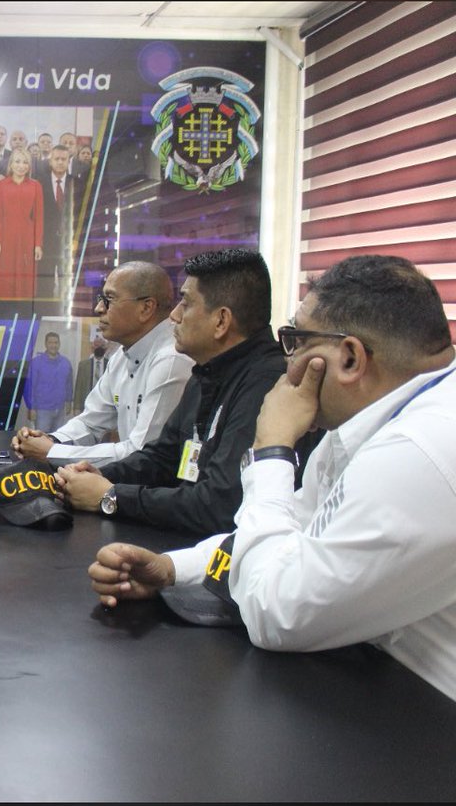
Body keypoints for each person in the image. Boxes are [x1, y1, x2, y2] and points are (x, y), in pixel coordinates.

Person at [88, 255, 456, 701]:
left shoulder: (417, 451)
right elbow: (295, 528)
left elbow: (277, 613)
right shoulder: (371, 420)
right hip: (382, 683)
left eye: (296, 341)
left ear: (349, 358)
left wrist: (273, 447)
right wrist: (174, 569)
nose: (288, 362)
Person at [57, 249, 301, 540]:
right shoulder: (207, 371)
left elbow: (219, 505)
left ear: (221, 321)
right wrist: (99, 476)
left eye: (185, 303)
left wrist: (111, 496)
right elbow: (163, 456)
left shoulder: (265, 382)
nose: (173, 315)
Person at [14, 262, 193, 467]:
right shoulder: (121, 356)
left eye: (109, 299)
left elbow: (141, 453)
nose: (98, 308)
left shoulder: (171, 360)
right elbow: (90, 423)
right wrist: (49, 440)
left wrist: (51, 452)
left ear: (146, 308)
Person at [0, 149, 43, 299]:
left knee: (26, 277)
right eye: (17, 161)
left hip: (27, 237)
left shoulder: (35, 185)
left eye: (25, 162)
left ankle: (23, 309)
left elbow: (39, 217)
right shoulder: (1, 185)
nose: (21, 166)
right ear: (11, 164)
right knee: (5, 275)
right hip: (5, 238)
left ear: (29, 166)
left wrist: (38, 244)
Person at [37, 145, 80, 300]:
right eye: (57, 159)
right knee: (44, 287)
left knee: (67, 287)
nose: (60, 162)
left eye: (64, 159)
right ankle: (44, 313)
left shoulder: (76, 183)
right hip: (45, 243)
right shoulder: (39, 183)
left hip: (68, 245)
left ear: (68, 161)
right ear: (50, 161)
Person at [22, 332, 74, 432]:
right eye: (50, 342)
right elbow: (29, 387)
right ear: (45, 344)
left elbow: (69, 384)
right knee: (41, 438)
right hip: (42, 410)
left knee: (57, 438)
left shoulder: (66, 363)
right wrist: (31, 407)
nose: (53, 345)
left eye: (56, 342)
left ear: (59, 344)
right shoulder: (36, 363)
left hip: (60, 409)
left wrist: (69, 401)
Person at [73, 332, 109, 413]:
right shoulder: (83, 365)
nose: (99, 348)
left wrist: (116, 404)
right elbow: (78, 387)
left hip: (105, 406)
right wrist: (76, 407)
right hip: (87, 404)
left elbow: (116, 389)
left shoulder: (111, 365)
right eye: (96, 345)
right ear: (92, 348)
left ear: (106, 348)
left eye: (102, 346)